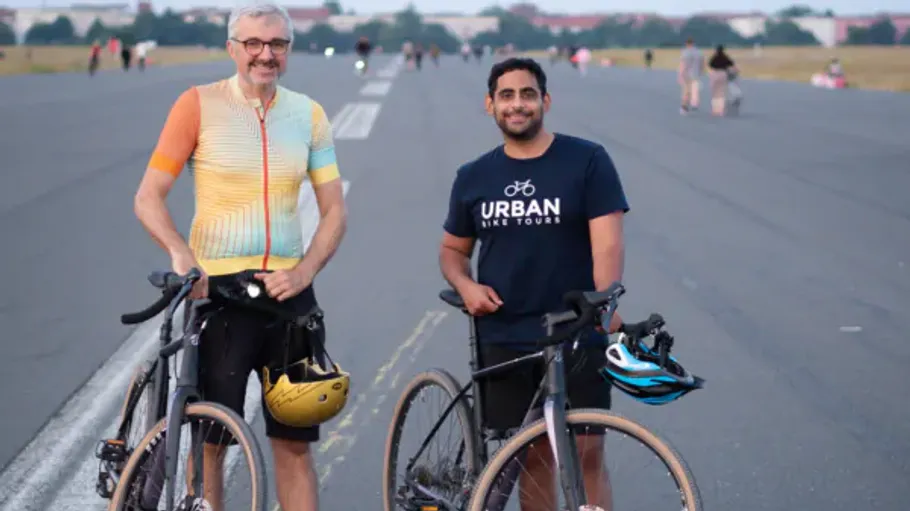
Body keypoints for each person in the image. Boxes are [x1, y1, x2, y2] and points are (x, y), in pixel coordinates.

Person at [132, 2, 348, 510]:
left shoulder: (309, 114)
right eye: (253, 43)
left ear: (288, 51)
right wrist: (182, 254)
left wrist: (304, 272)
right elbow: (148, 196)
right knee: (211, 445)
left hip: (289, 299)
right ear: (233, 49)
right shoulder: (198, 105)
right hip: (221, 295)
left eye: (276, 44)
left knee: (295, 446)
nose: (264, 54)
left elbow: (334, 209)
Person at [439, 57, 629, 511]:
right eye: (506, 95)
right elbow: (452, 251)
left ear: (545, 101)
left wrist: (602, 306)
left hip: (574, 329)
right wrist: (465, 286)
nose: (517, 104)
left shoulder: (587, 160)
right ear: (490, 105)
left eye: (527, 94)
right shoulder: (474, 176)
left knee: (586, 452)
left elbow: (607, 244)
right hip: (504, 333)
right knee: (535, 454)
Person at [707, 44, 737, 116]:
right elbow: (732, 65)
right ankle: (721, 110)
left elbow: (710, 65)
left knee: (715, 93)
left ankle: (715, 109)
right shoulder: (725, 57)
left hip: (715, 74)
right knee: (722, 93)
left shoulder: (714, 57)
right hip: (723, 74)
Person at [678, 38, 704, 114]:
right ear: (693, 43)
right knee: (695, 89)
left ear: (687, 44)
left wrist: (680, 74)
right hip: (695, 73)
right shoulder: (698, 52)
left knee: (686, 90)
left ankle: (684, 106)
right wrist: (701, 71)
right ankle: (694, 103)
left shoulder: (685, 52)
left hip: (686, 74)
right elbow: (702, 62)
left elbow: (683, 64)